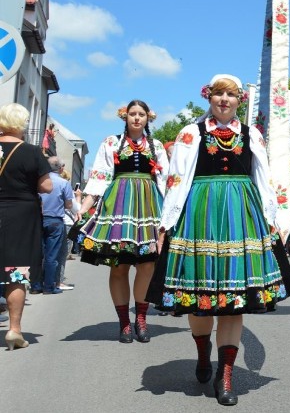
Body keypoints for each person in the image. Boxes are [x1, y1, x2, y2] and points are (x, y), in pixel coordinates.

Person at [147, 74, 290, 406]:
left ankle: (225, 374)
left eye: (230, 94)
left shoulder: (251, 134)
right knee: (199, 295)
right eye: (218, 94)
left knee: (234, 297)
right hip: (200, 212)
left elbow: (264, 178)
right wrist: (166, 223)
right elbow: (177, 180)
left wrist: (274, 219)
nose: (224, 99)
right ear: (208, 97)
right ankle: (203, 352)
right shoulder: (190, 133)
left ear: (239, 99)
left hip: (242, 212)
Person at [77, 100, 169, 343]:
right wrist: (83, 207)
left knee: (147, 264)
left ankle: (141, 318)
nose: (136, 118)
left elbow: (167, 181)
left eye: (141, 114)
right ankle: (124, 323)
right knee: (119, 265)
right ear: (125, 116)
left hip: (150, 205)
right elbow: (100, 176)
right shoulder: (111, 142)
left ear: (148, 118)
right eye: (132, 114)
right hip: (119, 204)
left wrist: (171, 212)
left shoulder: (156, 145)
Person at [0, 103, 52, 350]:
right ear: (22, 124)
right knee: (16, 274)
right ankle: (14, 330)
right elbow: (47, 187)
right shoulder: (31, 152)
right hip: (21, 217)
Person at [31, 157, 77, 295]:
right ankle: (49, 286)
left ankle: (35, 285)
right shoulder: (63, 183)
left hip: (38, 218)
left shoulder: (38, 181)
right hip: (55, 220)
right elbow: (69, 205)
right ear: (60, 168)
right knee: (52, 256)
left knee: (38, 254)